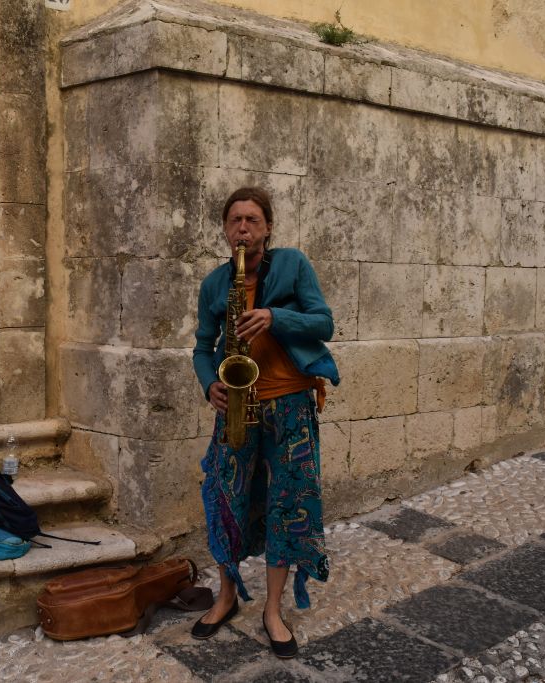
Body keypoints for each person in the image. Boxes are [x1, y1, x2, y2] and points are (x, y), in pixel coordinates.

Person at [191, 187, 340, 658]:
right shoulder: (216, 284)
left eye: (252, 220)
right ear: (225, 228)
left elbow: (324, 323)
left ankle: (273, 609)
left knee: (287, 502)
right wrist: (206, 383)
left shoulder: (292, 264)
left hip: (291, 403)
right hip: (236, 403)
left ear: (268, 227)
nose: (243, 228)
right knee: (225, 496)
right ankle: (227, 595)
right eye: (235, 220)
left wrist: (276, 317)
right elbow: (201, 347)